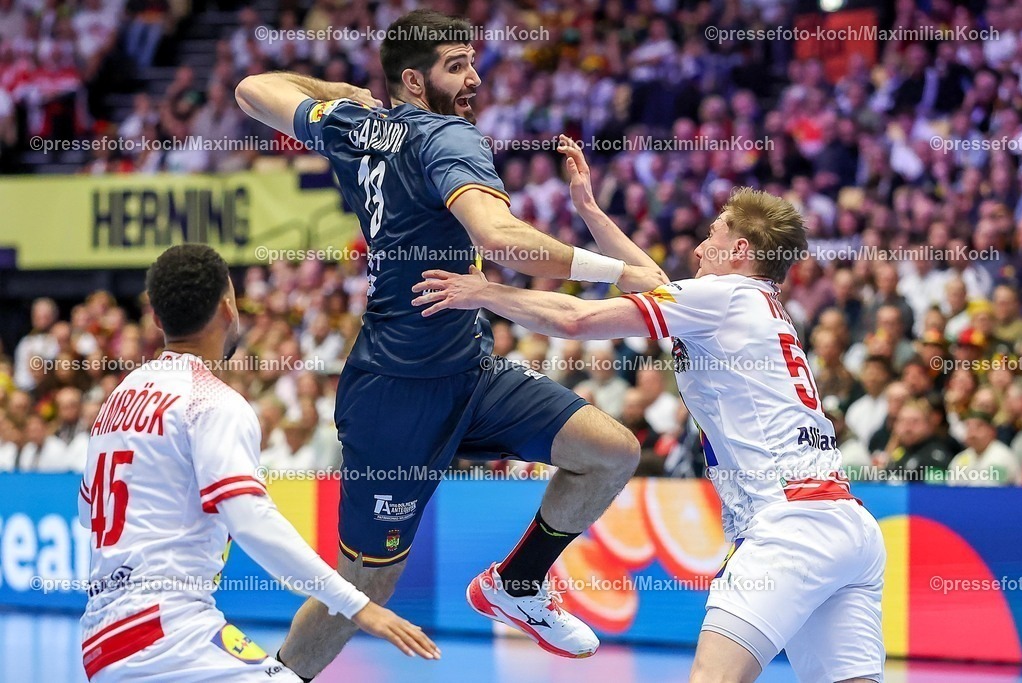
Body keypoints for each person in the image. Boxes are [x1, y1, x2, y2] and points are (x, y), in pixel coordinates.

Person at [234, 9, 664, 676]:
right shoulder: (449, 139)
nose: (474, 77)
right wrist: (618, 272)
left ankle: (517, 584)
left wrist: (344, 99)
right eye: (455, 66)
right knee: (367, 582)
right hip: (396, 392)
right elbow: (500, 241)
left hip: (469, 370)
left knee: (610, 452)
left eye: (473, 61)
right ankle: (281, 673)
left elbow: (255, 88)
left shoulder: (358, 128)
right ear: (414, 78)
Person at [413, 142, 885, 683]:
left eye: (714, 234)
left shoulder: (723, 296)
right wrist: (589, 210)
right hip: (846, 525)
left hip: (787, 528)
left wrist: (485, 292)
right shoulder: (752, 302)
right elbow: (650, 279)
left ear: (741, 250)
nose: (702, 245)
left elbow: (573, 319)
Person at [78, 245, 438, 683]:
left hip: (101, 641)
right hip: (166, 637)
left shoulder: (118, 398)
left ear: (156, 319)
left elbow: (87, 513)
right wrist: (355, 603)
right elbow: (251, 520)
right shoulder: (211, 401)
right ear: (228, 309)